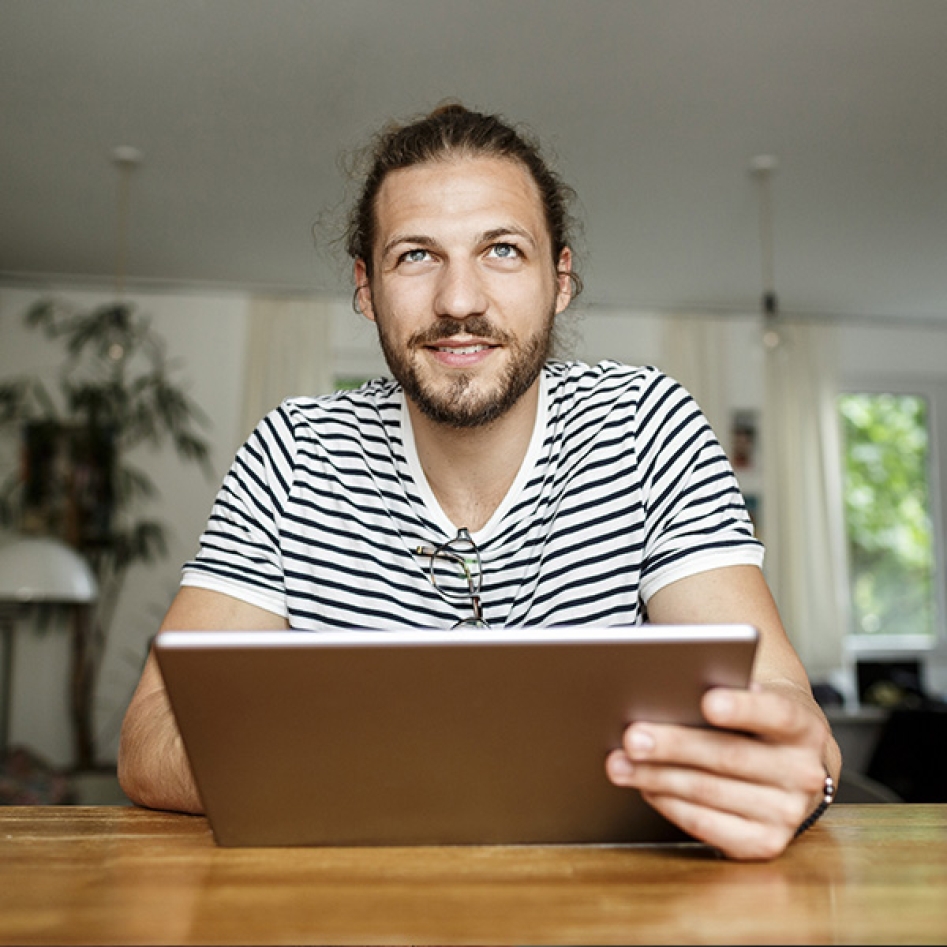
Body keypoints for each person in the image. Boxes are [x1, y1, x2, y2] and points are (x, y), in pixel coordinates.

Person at [118, 104, 841, 861]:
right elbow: (151, 733)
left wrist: (794, 770)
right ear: (365, 287)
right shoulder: (294, 452)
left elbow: (782, 700)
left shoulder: (645, 426)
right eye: (415, 256)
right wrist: (426, 772)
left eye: (501, 250)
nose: (458, 301)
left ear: (560, 279)